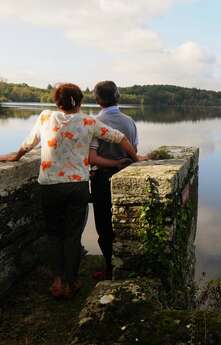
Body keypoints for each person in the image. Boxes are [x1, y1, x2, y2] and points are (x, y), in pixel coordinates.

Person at [0, 83, 144, 298]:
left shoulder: (45, 117)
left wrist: (16, 156)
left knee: (54, 234)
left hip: (50, 185)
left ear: (57, 102)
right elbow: (121, 138)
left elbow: (29, 143)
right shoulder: (89, 122)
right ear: (80, 102)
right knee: (72, 235)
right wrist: (136, 158)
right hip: (77, 186)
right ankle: (72, 281)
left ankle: (58, 281)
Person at [89, 81, 139, 280]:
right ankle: (127, 267)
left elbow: (91, 157)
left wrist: (110, 164)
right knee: (128, 224)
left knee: (103, 226)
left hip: (102, 178)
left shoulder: (94, 122)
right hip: (128, 175)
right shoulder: (130, 122)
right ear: (117, 97)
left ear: (98, 99)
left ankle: (109, 268)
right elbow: (134, 150)